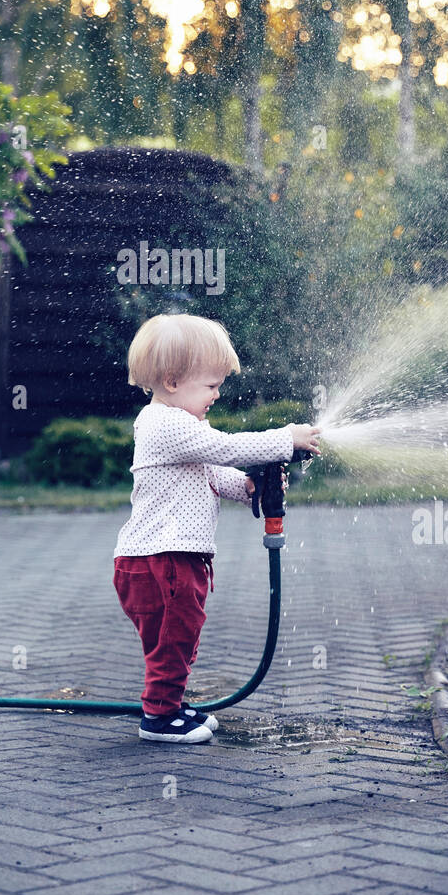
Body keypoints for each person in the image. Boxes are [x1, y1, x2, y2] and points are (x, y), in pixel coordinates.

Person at [114, 312, 321, 743]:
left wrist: (251, 487)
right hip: (160, 562)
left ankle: (169, 704)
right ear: (172, 381)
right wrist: (287, 438)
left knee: (180, 635)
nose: (217, 394)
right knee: (173, 639)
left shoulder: (185, 427)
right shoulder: (163, 424)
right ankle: (158, 718)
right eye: (210, 385)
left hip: (173, 560)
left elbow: (213, 474)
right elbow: (226, 448)